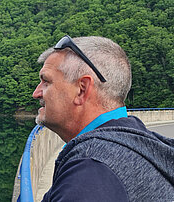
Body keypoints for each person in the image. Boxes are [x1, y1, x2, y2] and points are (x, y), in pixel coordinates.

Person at [32, 35, 174, 201]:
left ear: (81, 90)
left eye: (46, 82)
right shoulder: (139, 143)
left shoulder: (90, 171)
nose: (36, 93)